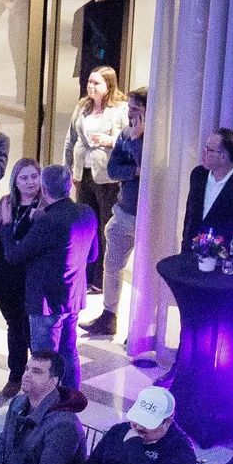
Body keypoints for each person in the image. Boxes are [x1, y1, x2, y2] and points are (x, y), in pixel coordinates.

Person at [3, 161, 99, 388]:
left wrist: (7, 224)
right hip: (74, 297)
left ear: (44, 190)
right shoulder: (87, 212)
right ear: (70, 186)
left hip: (46, 303)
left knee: (43, 362)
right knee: (69, 352)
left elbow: (14, 255)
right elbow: (93, 256)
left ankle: (42, 410)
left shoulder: (47, 220)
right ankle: (72, 402)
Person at [87, 89, 145, 339]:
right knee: (112, 266)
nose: (130, 113)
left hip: (147, 218)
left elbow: (149, 167)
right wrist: (133, 172)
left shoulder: (158, 138)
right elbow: (113, 169)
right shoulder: (125, 134)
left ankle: (144, 326)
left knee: (146, 273)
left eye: (135, 109)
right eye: (130, 107)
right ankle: (108, 316)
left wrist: (136, 140)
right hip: (124, 213)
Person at [0, 158, 46, 395]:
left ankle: (38, 377)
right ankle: (16, 374)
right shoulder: (5, 204)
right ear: (15, 181)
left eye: (34, 176)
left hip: (30, 281)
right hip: (5, 279)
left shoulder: (44, 207)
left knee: (31, 331)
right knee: (14, 327)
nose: (30, 182)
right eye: (24, 177)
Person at [64, 65, 127, 294]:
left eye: (96, 83)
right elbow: (71, 139)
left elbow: (129, 137)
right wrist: (68, 168)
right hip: (84, 172)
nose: (91, 86)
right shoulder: (83, 106)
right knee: (84, 227)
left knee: (104, 228)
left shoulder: (119, 109)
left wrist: (110, 140)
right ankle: (84, 275)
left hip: (107, 177)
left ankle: (100, 280)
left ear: (109, 85)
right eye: (89, 82)